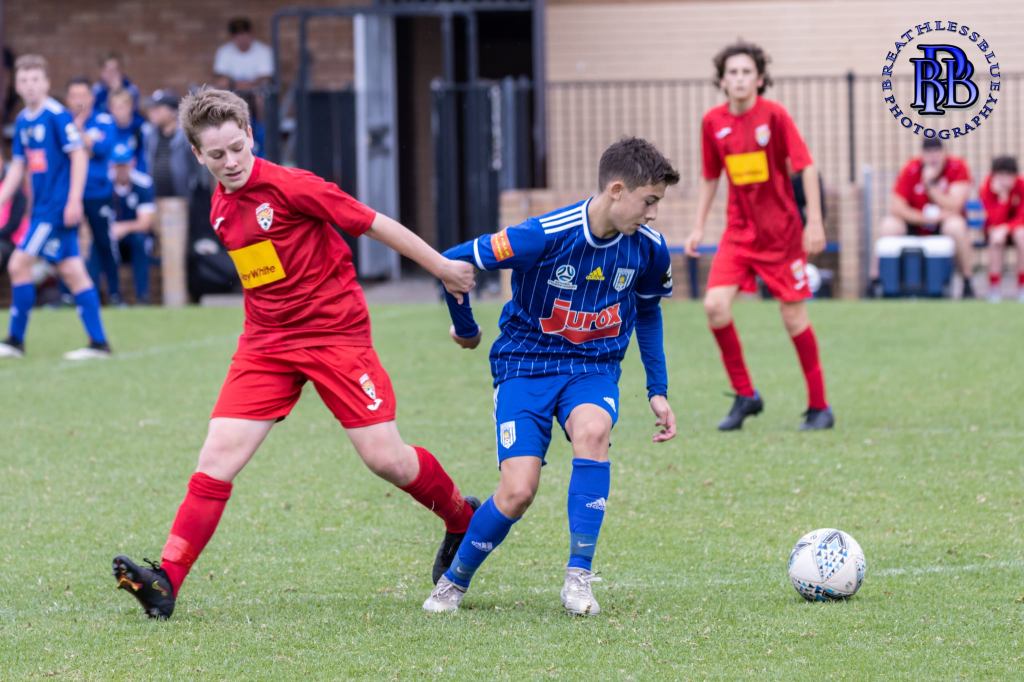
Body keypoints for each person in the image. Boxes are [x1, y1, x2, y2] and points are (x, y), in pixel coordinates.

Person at [111, 87, 479, 619]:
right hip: (266, 344)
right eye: (216, 155)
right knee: (217, 457)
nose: (230, 162)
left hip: (335, 335)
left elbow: (373, 222)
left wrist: (442, 268)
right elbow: (264, 274)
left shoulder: (292, 186)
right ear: (197, 155)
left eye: (237, 148)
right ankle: (167, 580)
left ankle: (461, 518)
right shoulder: (219, 206)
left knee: (385, 458)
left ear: (250, 135)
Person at [422, 137, 679, 616]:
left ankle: (578, 578)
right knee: (518, 491)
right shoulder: (542, 235)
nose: (653, 214)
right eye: (649, 201)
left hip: (592, 369)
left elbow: (648, 312)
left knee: (593, 431)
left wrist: (657, 389)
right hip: (525, 365)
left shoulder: (649, 249)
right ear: (617, 190)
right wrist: (467, 329)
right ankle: (454, 581)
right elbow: (453, 261)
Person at [684, 41, 833, 432]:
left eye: (746, 72)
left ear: (760, 79)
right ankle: (745, 394)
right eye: (732, 72)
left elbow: (806, 167)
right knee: (715, 306)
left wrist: (815, 221)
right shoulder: (712, 122)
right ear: (722, 80)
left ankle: (820, 407)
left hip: (781, 235)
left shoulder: (775, 116)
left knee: (792, 316)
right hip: (739, 234)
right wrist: (698, 226)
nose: (739, 79)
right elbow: (710, 177)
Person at [0, 55, 111, 360]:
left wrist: (74, 200)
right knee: (73, 271)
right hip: (42, 209)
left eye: (36, 79)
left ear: (47, 83)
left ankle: (15, 340)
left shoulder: (56, 115)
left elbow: (79, 155)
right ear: (17, 85)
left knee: (18, 265)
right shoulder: (23, 120)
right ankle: (99, 343)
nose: (30, 86)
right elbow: (18, 167)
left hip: (56, 209)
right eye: (24, 80)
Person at [879, 138, 973, 298]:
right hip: (916, 222)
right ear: (922, 155)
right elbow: (897, 207)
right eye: (928, 153)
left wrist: (930, 186)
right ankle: (879, 280)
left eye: (937, 152)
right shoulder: (911, 168)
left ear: (944, 153)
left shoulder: (957, 167)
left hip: (943, 223)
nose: (933, 157)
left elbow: (955, 205)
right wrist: (923, 219)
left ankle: (967, 280)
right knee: (889, 225)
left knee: (956, 227)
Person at [66, 76, 122, 304]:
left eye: (82, 95)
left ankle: (115, 294)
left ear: (91, 97)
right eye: (74, 96)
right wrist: (84, 142)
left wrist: (79, 133)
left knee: (104, 243)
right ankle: (67, 295)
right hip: (71, 194)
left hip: (99, 193)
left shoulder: (103, 120)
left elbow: (103, 148)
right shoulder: (61, 122)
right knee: (68, 245)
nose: (78, 100)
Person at [109, 144, 156, 303]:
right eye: (118, 165)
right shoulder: (105, 184)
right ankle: (112, 296)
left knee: (139, 240)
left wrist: (123, 227)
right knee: (100, 243)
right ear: (112, 165)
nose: (121, 169)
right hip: (112, 236)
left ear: (132, 163)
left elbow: (145, 223)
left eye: (124, 165)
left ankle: (142, 296)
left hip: (134, 238)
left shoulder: (143, 184)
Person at [978, 156, 1024, 302]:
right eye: (1000, 175)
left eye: (1009, 175)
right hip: (995, 231)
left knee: (1022, 236)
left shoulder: (1021, 186)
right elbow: (992, 220)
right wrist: (1002, 199)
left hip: (1016, 229)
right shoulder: (987, 187)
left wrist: (1006, 228)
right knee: (995, 239)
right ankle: (994, 287)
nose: (1005, 180)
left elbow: (1022, 216)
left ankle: (1022, 286)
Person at [143, 89, 197, 199]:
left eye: (158, 109)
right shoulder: (150, 135)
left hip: (185, 198)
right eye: (152, 108)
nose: (152, 112)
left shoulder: (186, 136)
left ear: (173, 111)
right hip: (158, 197)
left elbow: (196, 170)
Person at [213, 17, 274, 93]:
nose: (241, 39)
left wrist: (248, 85)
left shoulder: (264, 50)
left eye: (244, 34)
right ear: (232, 37)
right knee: (221, 83)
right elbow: (221, 76)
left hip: (256, 90)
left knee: (265, 85)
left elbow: (265, 77)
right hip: (232, 90)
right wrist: (235, 84)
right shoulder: (224, 51)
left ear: (251, 34)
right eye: (237, 36)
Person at [108, 89, 148, 173]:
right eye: (114, 107)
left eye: (121, 107)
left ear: (130, 107)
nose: (117, 111)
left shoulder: (140, 129)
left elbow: (144, 158)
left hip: (135, 174)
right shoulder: (107, 129)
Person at [92, 52, 141, 117]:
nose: (111, 74)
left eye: (114, 70)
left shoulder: (131, 90)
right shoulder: (96, 91)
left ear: (121, 71)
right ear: (101, 72)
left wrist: (118, 90)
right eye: (107, 70)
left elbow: (133, 114)